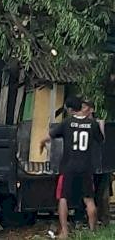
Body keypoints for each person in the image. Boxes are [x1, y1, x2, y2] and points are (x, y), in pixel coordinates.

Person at [40, 96, 104, 239]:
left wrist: (41, 144)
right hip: (86, 168)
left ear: (70, 109)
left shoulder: (67, 123)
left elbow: (48, 136)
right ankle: (93, 232)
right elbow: (101, 140)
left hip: (68, 167)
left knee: (63, 198)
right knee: (89, 200)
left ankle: (64, 232)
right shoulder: (92, 124)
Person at [82, 100, 110, 225]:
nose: (82, 110)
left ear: (91, 109)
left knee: (100, 193)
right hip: (84, 164)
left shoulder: (98, 123)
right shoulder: (78, 124)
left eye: (85, 107)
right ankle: (85, 219)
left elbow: (102, 141)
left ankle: (102, 219)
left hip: (99, 164)